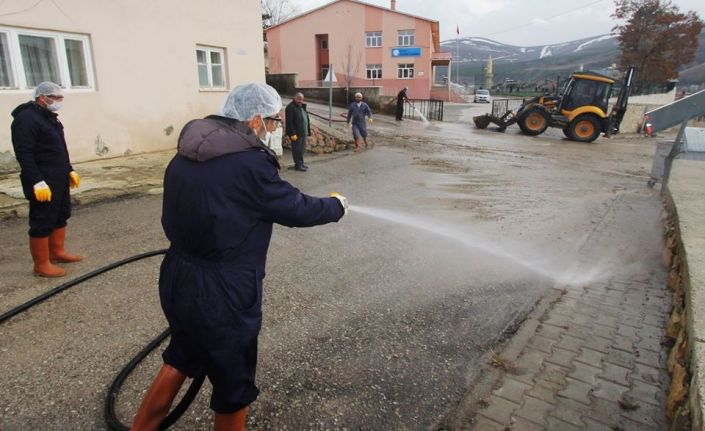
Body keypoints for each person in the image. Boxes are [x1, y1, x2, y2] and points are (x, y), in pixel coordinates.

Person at [130, 83, 348, 431]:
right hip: (224, 292)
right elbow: (295, 208)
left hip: (178, 276)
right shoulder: (247, 162)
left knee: (180, 357)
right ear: (256, 118)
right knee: (234, 386)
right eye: (275, 121)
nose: (275, 129)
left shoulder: (186, 151)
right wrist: (336, 206)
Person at [11, 81, 82, 278]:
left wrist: (69, 169)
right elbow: (24, 153)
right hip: (42, 179)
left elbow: (59, 147)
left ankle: (57, 252)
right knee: (42, 220)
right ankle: (41, 265)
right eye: (56, 97)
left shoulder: (50, 118)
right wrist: (36, 180)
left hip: (58, 177)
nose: (59, 101)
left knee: (60, 214)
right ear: (42, 97)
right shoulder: (26, 119)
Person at [284, 92, 310, 171]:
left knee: (301, 150)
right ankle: (298, 165)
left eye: (302, 99)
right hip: (295, 134)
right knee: (297, 150)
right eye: (299, 99)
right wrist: (292, 133)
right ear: (295, 98)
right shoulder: (290, 107)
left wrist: (307, 130)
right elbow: (289, 122)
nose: (300, 101)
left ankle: (301, 163)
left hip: (302, 132)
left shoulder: (301, 107)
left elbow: (304, 119)